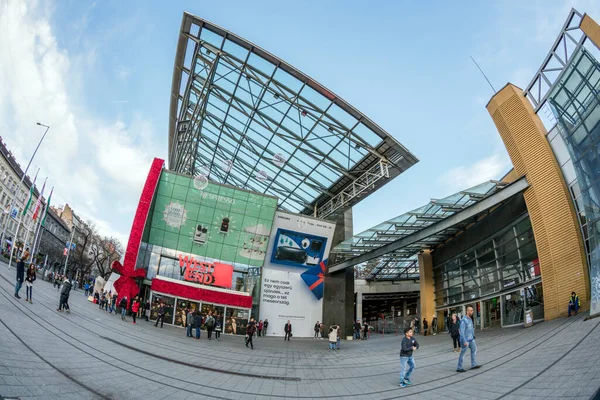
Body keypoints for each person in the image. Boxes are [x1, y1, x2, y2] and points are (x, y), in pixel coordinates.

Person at [456, 306, 480, 372]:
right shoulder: (464, 320)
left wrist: (473, 336)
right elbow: (461, 331)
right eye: (471, 310)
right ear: (467, 311)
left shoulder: (470, 319)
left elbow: (471, 329)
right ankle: (459, 367)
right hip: (465, 340)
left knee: (474, 349)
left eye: (472, 310)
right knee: (463, 353)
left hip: (471, 339)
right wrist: (464, 341)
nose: (472, 311)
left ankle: (474, 364)